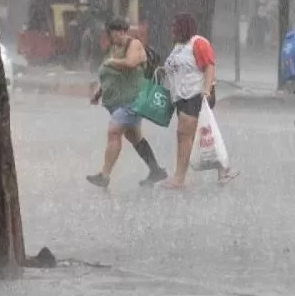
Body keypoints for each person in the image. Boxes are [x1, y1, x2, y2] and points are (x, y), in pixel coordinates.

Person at [86, 18, 167, 189]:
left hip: (132, 101)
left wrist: (112, 62)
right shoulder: (114, 48)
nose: (113, 37)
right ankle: (156, 170)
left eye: (115, 33)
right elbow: (110, 74)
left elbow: (130, 64)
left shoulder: (134, 44)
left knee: (114, 132)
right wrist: (99, 93)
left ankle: (104, 176)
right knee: (134, 137)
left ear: (122, 31)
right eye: (111, 34)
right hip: (116, 102)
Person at [161, 13, 237, 189]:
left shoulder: (198, 43)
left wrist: (207, 90)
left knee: (185, 135)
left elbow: (209, 65)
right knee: (197, 135)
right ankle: (223, 168)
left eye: (175, 26)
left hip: (195, 95)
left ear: (184, 27)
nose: (172, 30)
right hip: (181, 97)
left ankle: (179, 178)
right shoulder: (179, 46)